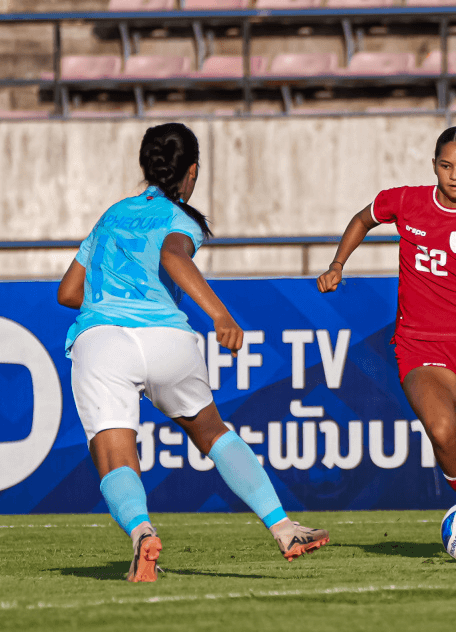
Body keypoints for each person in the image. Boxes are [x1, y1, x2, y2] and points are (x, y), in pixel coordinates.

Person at [57, 123, 328, 582]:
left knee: (115, 455)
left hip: (101, 341)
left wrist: (111, 304)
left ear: (146, 166)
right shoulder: (182, 219)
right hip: (167, 340)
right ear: (192, 172)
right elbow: (173, 256)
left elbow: (68, 291)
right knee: (212, 432)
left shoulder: (112, 214)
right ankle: (283, 528)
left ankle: (143, 535)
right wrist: (221, 317)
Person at [317, 126, 456, 557]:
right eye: (446, 165)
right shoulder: (405, 201)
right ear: (433, 165)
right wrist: (337, 264)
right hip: (420, 344)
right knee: (440, 431)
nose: (455, 175)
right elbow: (363, 218)